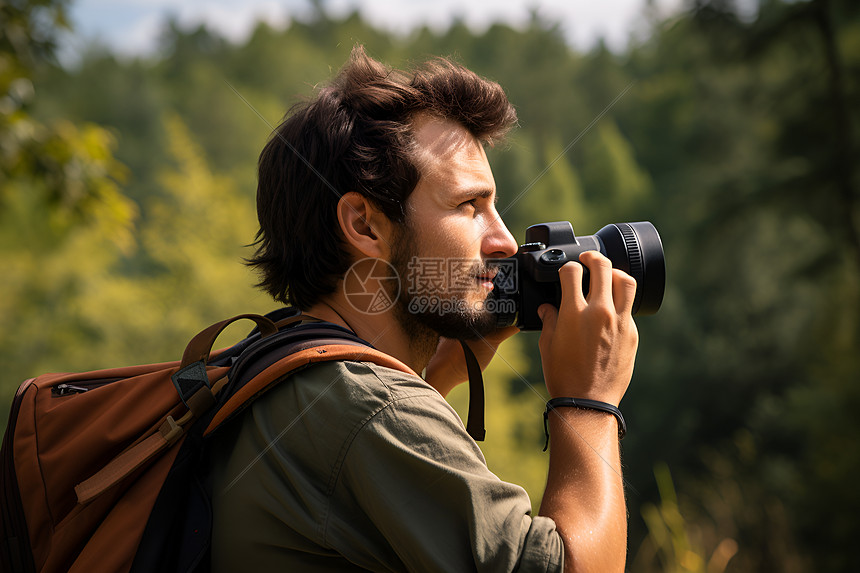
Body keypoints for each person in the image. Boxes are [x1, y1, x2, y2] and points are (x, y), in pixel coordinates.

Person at [209, 45, 638, 572]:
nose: (505, 241)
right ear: (364, 225)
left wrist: (434, 378)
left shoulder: (276, 367)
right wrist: (588, 401)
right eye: (469, 205)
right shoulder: (370, 409)